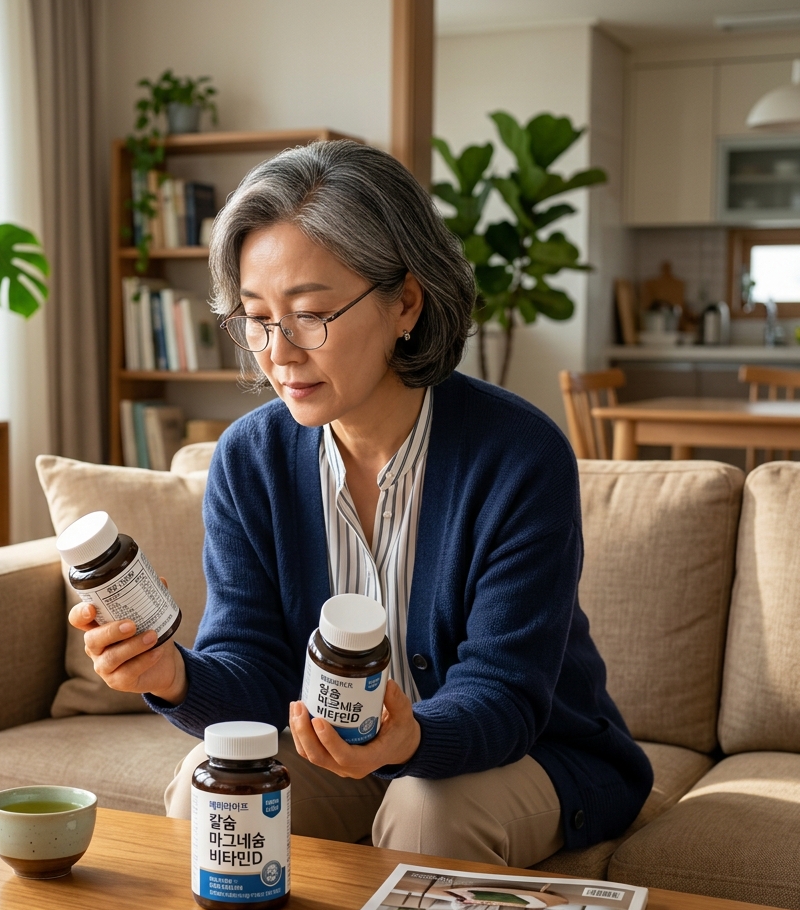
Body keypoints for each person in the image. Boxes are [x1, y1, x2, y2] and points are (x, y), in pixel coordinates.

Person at [69, 140, 652, 866]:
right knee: (212, 787)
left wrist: (409, 740)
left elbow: (504, 691)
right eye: (255, 318)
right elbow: (250, 664)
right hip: (337, 754)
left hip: (526, 755)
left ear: (405, 301)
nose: (278, 351)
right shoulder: (250, 461)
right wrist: (173, 676)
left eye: (310, 314)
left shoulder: (517, 455)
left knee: (425, 805)